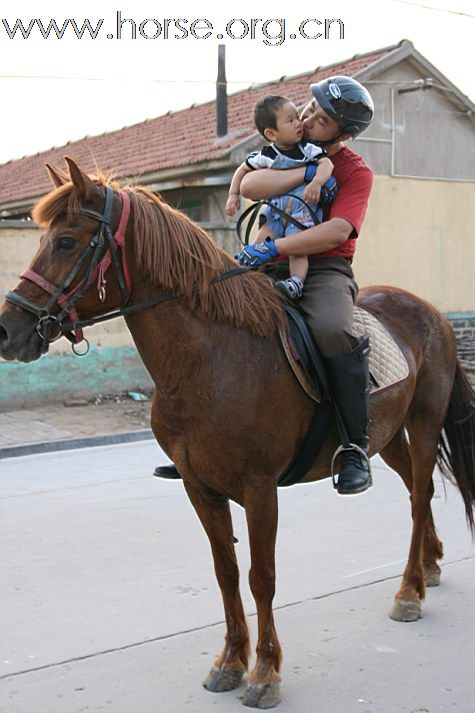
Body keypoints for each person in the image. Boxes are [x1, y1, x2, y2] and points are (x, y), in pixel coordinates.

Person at [154, 75, 375, 496]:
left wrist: (273, 248)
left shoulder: (355, 172)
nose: (308, 118)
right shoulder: (282, 151)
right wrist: (305, 173)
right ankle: (197, 442)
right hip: (267, 259)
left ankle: (353, 445)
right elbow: (252, 184)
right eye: (308, 109)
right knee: (205, 314)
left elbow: (337, 232)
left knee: (332, 329)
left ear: (342, 134)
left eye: (322, 119)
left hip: (324, 270)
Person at [225, 95, 337, 300]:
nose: (299, 124)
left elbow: (326, 165)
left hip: (301, 210)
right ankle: (242, 269)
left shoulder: (308, 149)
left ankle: (296, 282)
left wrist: (316, 183)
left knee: (297, 247)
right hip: (275, 209)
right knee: (259, 242)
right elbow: (242, 170)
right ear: (271, 133)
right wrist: (233, 195)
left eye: (297, 117)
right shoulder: (266, 155)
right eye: (291, 121)